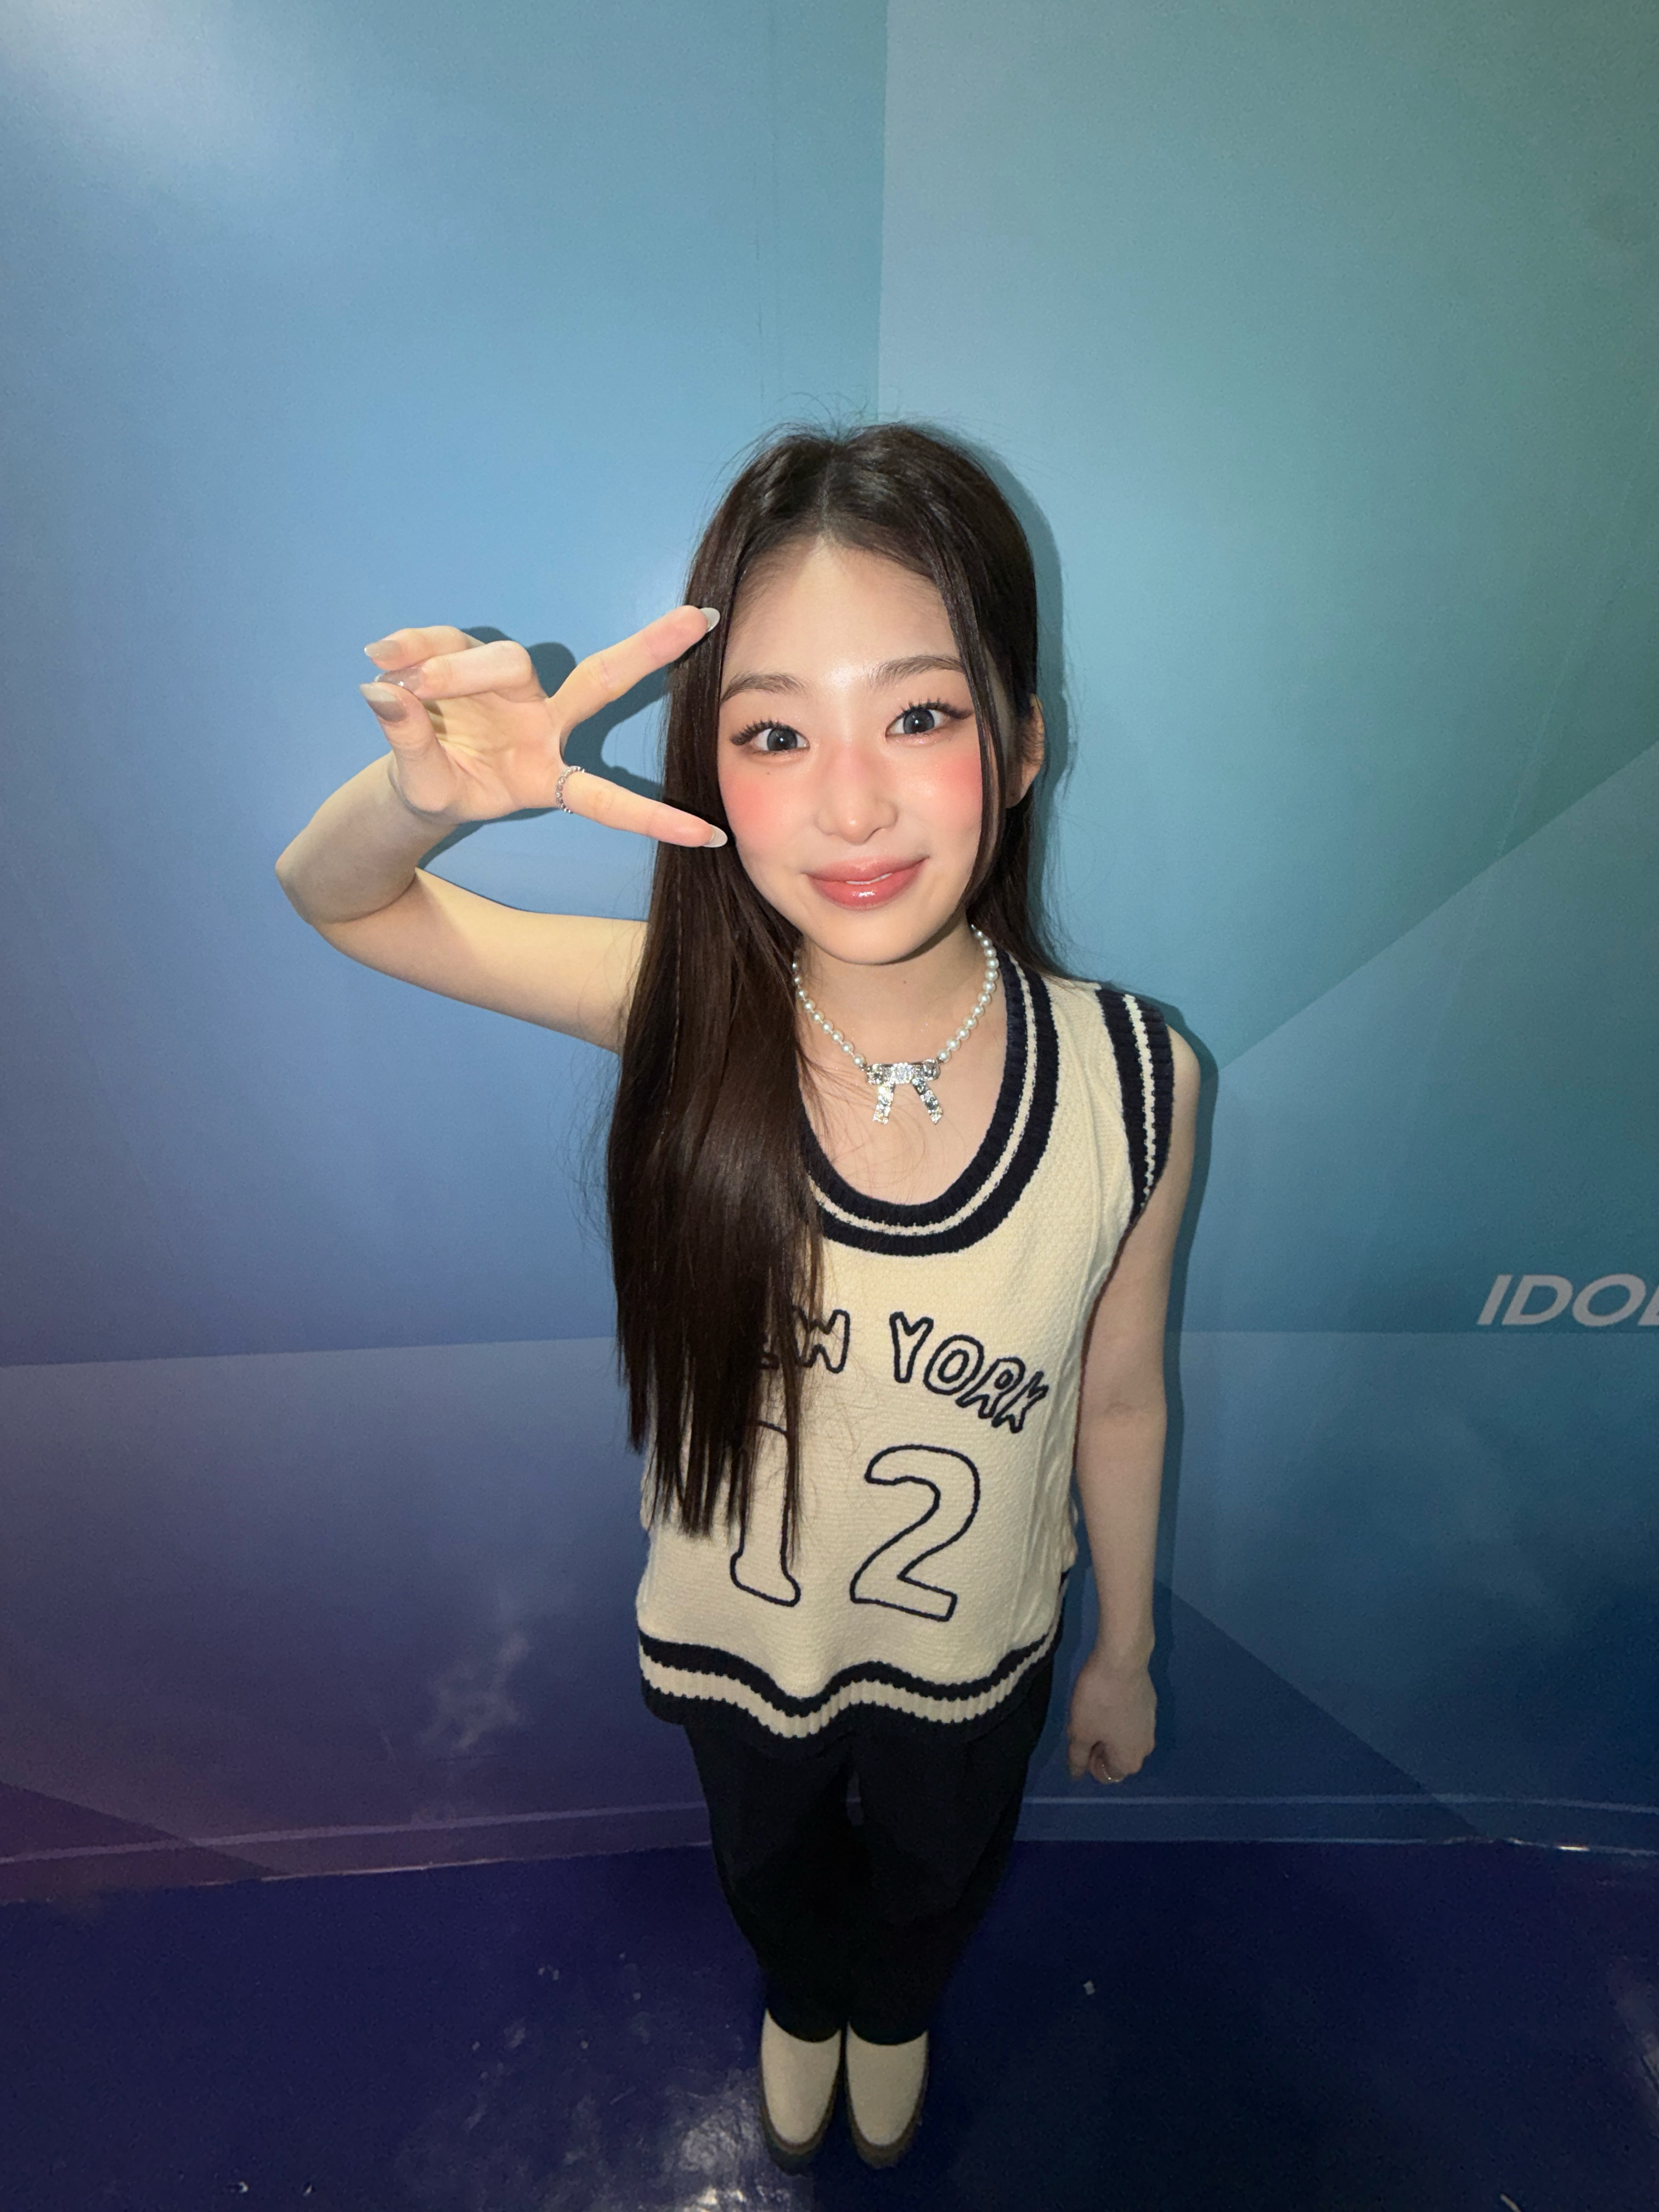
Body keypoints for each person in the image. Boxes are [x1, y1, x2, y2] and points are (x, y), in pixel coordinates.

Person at [275, 424, 1198, 2171]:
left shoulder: (1137, 1080)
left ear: (1021, 744)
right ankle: (802, 1992)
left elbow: (1124, 1391)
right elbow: (336, 900)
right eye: (776, 734)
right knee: (770, 1864)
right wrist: (427, 801)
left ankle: (894, 2004)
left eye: (919, 716)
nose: (851, 806)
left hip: (976, 1648)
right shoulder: (685, 1013)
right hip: (738, 1638)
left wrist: (1126, 1653)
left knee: (938, 1870)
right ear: (712, 764)